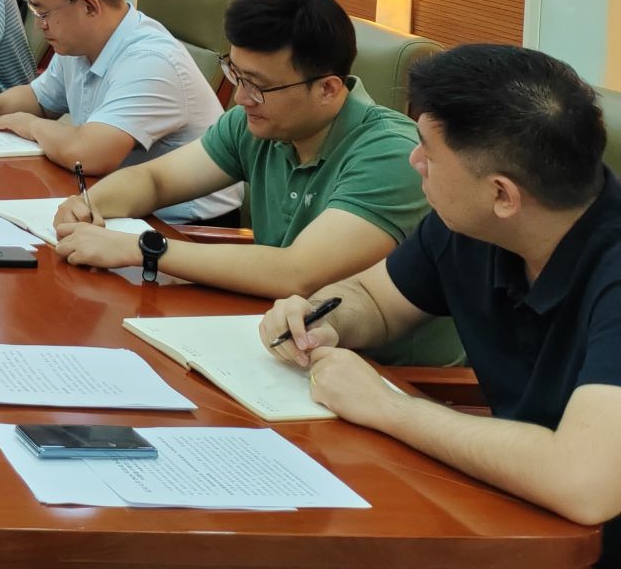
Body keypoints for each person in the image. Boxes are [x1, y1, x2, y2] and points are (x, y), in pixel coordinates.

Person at [260, 45, 621, 556]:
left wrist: (388, 406)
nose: (414, 162)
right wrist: (319, 317)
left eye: (428, 152)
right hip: (510, 511)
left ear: (502, 195)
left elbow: (584, 481)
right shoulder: (471, 226)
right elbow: (373, 299)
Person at [50, 0, 459, 362]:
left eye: (258, 85)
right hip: (278, 344)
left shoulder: (391, 154)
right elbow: (155, 180)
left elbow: (296, 273)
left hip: (383, 374)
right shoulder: (257, 123)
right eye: (236, 74)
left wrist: (144, 250)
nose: (241, 97)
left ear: (328, 89)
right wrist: (89, 204)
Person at [0, 0, 239, 223]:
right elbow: (40, 100)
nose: (40, 25)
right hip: (111, 200)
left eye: (44, 13)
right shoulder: (78, 43)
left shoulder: (150, 61)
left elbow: (88, 154)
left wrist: (27, 124)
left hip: (183, 225)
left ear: (89, 6)